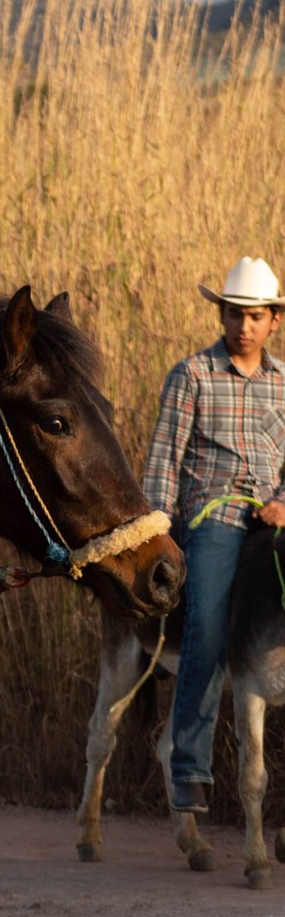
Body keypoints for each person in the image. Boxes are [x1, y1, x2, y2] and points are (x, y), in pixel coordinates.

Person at [142, 255, 285, 815]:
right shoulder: (192, 375)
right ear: (221, 316)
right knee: (206, 621)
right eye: (233, 314)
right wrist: (160, 535)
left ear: (273, 320)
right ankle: (190, 767)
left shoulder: (284, 384)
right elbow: (161, 464)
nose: (243, 325)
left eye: (254, 316)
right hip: (214, 519)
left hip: (272, 520)